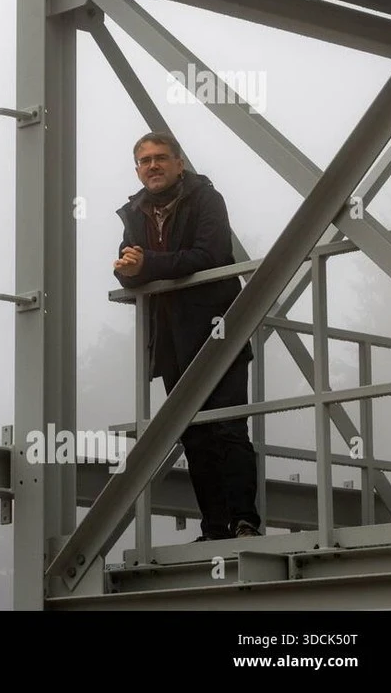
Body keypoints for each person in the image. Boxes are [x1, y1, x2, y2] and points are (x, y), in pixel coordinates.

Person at [112, 132, 262, 540]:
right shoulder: (135, 213)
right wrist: (127, 269)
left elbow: (209, 256)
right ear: (137, 170)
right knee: (193, 434)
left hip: (220, 332)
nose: (153, 165)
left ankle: (245, 521)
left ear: (180, 164)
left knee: (228, 427)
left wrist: (146, 264)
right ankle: (214, 528)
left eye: (161, 157)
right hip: (171, 340)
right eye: (145, 160)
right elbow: (132, 267)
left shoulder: (207, 199)